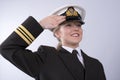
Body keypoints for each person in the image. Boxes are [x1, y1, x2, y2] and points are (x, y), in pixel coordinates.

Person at [0, 5, 106, 80]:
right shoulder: (44, 58)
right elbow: (7, 48)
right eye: (68, 25)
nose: (76, 29)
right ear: (57, 33)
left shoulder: (96, 64)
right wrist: (40, 25)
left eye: (78, 25)